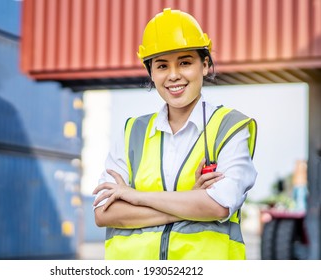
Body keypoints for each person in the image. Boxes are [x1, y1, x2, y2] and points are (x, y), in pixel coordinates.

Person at [92, 8, 257, 260]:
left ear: (204, 65)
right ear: (151, 73)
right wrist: (190, 201)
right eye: (161, 65)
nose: (173, 75)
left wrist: (136, 197)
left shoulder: (230, 128)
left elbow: (218, 205)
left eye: (185, 62)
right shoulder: (132, 132)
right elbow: (105, 213)